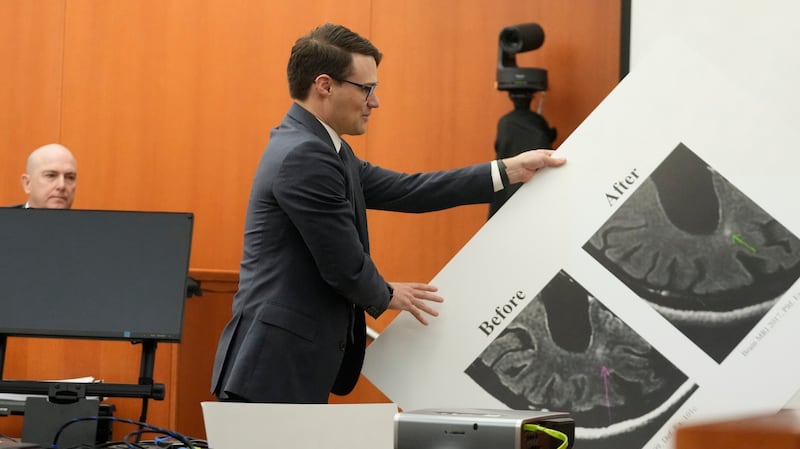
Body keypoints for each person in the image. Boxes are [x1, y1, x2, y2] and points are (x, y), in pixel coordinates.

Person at [210, 23, 566, 404]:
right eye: (366, 89)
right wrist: (388, 293)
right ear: (325, 85)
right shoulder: (305, 155)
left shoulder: (324, 147)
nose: (374, 102)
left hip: (286, 364)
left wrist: (507, 170)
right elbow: (342, 265)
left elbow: (408, 189)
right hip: (275, 368)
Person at [17, 143, 78, 209]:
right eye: (51, 175)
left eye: (70, 177)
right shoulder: (6, 219)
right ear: (27, 184)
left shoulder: (86, 219)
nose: (62, 186)